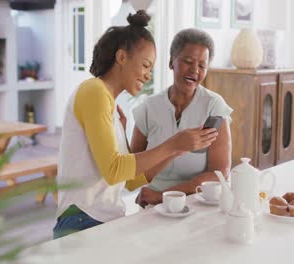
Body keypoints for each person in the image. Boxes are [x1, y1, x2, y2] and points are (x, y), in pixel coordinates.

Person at [53, 11, 218, 239]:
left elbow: (131, 181)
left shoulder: (111, 108)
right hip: (82, 219)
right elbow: (114, 171)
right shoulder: (94, 91)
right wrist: (171, 145)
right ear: (121, 57)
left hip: (103, 218)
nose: (148, 75)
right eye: (145, 65)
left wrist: (178, 150)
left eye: (151, 69)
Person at [131, 28, 233, 208]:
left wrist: (163, 196)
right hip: (152, 203)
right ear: (171, 62)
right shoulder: (149, 107)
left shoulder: (214, 106)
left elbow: (220, 172)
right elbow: (133, 167)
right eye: (188, 61)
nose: (195, 70)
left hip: (197, 201)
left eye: (202, 65)